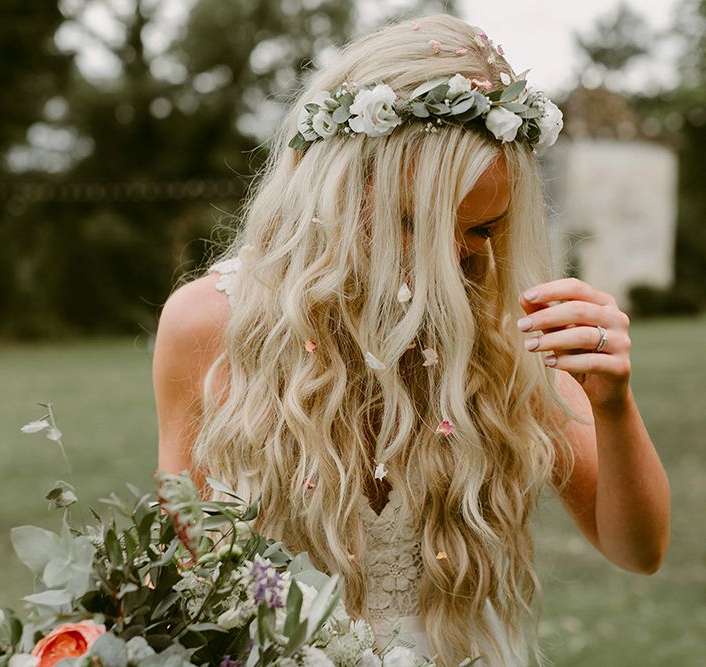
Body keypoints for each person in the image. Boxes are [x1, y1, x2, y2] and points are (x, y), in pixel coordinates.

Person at [152, 14, 670, 667]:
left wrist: (612, 405)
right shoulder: (208, 324)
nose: (454, 259)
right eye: (413, 224)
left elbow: (637, 549)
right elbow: (183, 568)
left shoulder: (502, 328)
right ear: (336, 190)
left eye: (482, 229)